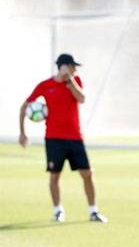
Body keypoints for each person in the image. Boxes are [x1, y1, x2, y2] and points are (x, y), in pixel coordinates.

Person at [19, 53, 107, 223]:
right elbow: (25, 106)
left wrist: (70, 81)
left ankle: (93, 211)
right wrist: (22, 132)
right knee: (54, 176)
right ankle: (58, 211)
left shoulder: (75, 82)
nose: (74, 69)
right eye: (71, 66)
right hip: (54, 139)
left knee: (87, 173)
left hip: (75, 138)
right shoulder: (45, 85)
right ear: (62, 66)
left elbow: (81, 98)